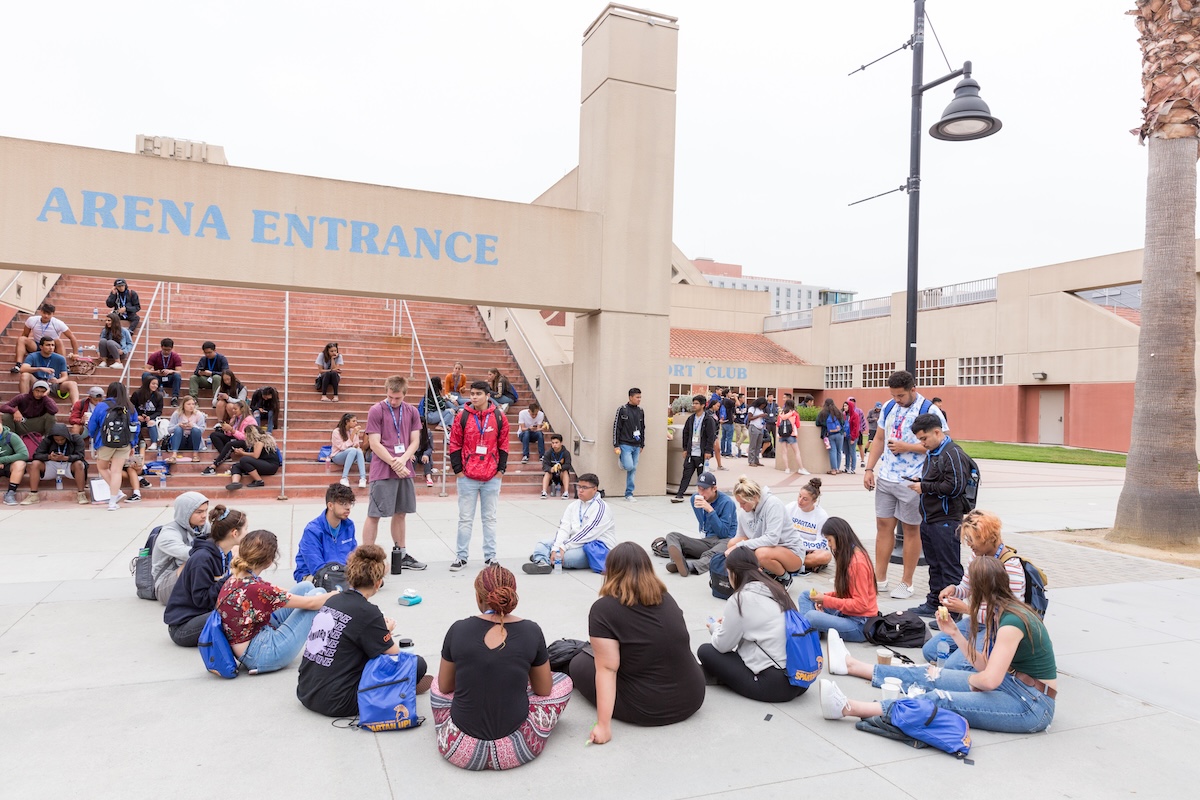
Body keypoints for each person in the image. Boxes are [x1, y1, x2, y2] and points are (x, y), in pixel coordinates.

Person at [820, 557, 1056, 735]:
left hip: (1031, 704)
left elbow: (988, 680)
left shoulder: (1012, 622)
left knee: (940, 697)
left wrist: (971, 683)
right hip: (1013, 685)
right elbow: (983, 665)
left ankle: (849, 708)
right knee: (931, 673)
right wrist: (953, 632)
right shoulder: (1000, 612)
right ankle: (852, 666)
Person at [432, 565, 571, 771]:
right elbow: (543, 690)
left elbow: (445, 687)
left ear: (479, 598)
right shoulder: (531, 630)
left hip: (458, 748)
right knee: (563, 682)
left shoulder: (458, 629)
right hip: (518, 749)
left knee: (436, 684)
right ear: (512, 596)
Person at [568, 542, 705, 743]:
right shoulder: (667, 599)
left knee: (579, 662)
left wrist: (603, 726)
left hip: (647, 707)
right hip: (693, 696)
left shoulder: (603, 609)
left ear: (611, 571)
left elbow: (607, 670)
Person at [298, 544, 433, 717]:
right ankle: (402, 687)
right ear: (378, 583)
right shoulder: (368, 612)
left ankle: (404, 685)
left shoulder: (332, 600)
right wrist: (386, 631)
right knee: (417, 664)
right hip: (338, 701)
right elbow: (396, 657)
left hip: (305, 690)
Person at [861, 370, 948, 600]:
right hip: (887, 477)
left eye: (901, 395)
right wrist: (870, 469)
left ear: (913, 389)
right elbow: (879, 439)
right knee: (883, 526)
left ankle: (907, 582)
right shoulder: (889, 407)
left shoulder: (929, 409)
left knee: (910, 529)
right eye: (894, 395)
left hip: (913, 480)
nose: (897, 399)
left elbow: (941, 443)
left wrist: (907, 447)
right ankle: (879, 578)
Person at [698, 547, 807, 703]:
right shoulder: (777, 590)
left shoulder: (740, 599)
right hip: (801, 679)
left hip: (775, 685)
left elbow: (723, 646)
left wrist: (715, 627)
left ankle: (725, 678)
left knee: (706, 651)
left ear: (732, 573)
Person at [216, 529, 331, 674]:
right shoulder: (256, 588)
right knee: (319, 593)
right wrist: (336, 594)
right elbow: (311, 604)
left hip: (251, 641)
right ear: (270, 561)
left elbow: (277, 593)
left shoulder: (237, 577)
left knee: (306, 587)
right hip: (261, 655)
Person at [923, 510, 1027, 669]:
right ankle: (977, 658)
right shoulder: (977, 555)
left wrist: (967, 609)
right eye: (966, 539)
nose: (969, 544)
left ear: (986, 537)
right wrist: (954, 590)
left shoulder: (1011, 567)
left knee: (953, 665)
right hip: (978, 621)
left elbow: (1009, 615)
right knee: (930, 652)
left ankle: (992, 659)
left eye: (971, 539)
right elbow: (966, 587)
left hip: (999, 627)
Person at [906, 412, 972, 617]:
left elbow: (955, 487)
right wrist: (922, 480)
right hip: (930, 517)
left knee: (948, 566)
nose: (922, 443)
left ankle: (953, 611)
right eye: (920, 440)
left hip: (945, 518)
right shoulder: (935, 453)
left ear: (937, 432)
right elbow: (940, 480)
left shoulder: (952, 453)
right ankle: (935, 602)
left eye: (924, 438)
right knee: (934, 565)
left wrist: (924, 486)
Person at [363, 376, 427, 570]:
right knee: (374, 514)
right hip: (383, 470)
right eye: (390, 397)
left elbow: (415, 441)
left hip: (403, 468)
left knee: (401, 513)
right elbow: (374, 443)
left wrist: (402, 460)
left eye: (397, 398)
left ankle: (402, 553)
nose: (393, 401)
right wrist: (394, 462)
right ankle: (366, 558)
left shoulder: (412, 411)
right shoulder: (376, 410)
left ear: (404, 394)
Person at [448, 380, 509, 571]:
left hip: (491, 476)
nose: (474, 397)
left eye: (478, 394)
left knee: (489, 518)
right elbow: (455, 443)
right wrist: (458, 470)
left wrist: (501, 470)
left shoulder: (499, 416)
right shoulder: (462, 416)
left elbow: (503, 443)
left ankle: (490, 557)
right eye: (472, 394)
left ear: (487, 395)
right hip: (467, 476)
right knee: (465, 518)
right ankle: (461, 557)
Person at [163, 506, 245, 647]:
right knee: (233, 614)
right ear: (235, 533)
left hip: (204, 614)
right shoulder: (202, 559)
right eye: (246, 529)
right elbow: (201, 599)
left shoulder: (224, 553)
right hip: (183, 627)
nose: (247, 533)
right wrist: (231, 577)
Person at [797, 517, 879, 642]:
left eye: (829, 540)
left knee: (811, 616)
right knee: (805, 595)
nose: (829, 545)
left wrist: (825, 600)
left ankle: (811, 630)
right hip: (846, 614)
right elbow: (846, 593)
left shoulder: (858, 563)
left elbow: (861, 605)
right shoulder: (849, 555)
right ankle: (813, 630)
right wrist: (823, 597)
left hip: (859, 624)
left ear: (839, 536)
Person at [522, 473, 614, 573]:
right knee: (543, 543)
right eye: (579, 486)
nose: (580, 490)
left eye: (584, 487)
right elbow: (564, 528)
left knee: (567, 558)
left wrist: (562, 548)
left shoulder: (601, 508)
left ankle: (541, 557)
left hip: (593, 547)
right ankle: (543, 563)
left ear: (595, 489)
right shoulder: (573, 506)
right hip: (572, 543)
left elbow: (587, 534)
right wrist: (556, 548)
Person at [725, 475, 806, 583]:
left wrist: (740, 545)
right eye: (739, 502)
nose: (741, 506)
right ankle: (752, 575)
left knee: (761, 553)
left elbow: (772, 539)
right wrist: (735, 547)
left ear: (754, 498)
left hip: (791, 552)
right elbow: (740, 537)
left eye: (743, 503)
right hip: (767, 548)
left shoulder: (773, 504)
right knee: (732, 544)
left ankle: (785, 578)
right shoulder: (744, 511)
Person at [664, 471, 738, 576]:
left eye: (705, 489)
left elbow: (724, 533)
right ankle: (677, 561)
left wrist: (710, 511)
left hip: (724, 540)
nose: (701, 493)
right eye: (699, 488)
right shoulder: (695, 498)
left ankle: (691, 566)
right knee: (672, 536)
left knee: (715, 553)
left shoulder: (727, 502)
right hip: (706, 541)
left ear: (714, 488)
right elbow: (703, 522)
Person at [150, 492, 211, 603]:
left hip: (188, 581)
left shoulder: (203, 527)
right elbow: (188, 554)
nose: (204, 515)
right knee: (193, 561)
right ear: (185, 513)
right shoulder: (168, 533)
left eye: (206, 510)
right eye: (199, 512)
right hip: (164, 586)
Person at [87, 381, 139, 511]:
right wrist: (133, 444)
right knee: (116, 471)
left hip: (105, 441)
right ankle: (112, 502)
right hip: (124, 443)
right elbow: (135, 427)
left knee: (103, 468)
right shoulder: (130, 407)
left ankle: (116, 492)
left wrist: (94, 437)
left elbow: (92, 425)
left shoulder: (101, 406)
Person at [295, 483, 358, 581]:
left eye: (350, 503)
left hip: (342, 573)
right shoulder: (312, 530)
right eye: (343, 503)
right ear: (330, 505)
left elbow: (354, 557)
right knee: (328, 583)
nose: (348, 507)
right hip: (314, 574)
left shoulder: (349, 526)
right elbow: (316, 567)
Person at [20, 423, 89, 505]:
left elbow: (80, 456)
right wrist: (49, 457)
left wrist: (66, 458)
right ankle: (33, 495)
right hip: (52, 464)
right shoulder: (47, 440)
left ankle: (81, 494)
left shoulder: (76, 439)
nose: (59, 441)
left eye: (62, 439)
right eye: (56, 440)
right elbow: (36, 455)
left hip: (69, 464)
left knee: (79, 464)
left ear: (66, 436)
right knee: (35, 463)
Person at [671, 394, 717, 503]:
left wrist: (708, 451)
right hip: (691, 453)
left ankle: (707, 497)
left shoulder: (708, 420)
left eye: (696, 403)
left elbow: (711, 436)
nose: (694, 405)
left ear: (702, 405)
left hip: (702, 453)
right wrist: (685, 449)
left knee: (703, 478)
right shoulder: (691, 419)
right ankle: (679, 495)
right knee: (686, 474)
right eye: (693, 403)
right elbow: (685, 434)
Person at [11, 302, 78, 372]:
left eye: (49, 314)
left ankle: (64, 366)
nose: (46, 316)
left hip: (51, 347)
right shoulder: (32, 320)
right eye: (44, 313)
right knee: (22, 339)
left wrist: (75, 353)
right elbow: (25, 334)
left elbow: (72, 337)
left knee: (59, 341)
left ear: (53, 314)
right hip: (37, 345)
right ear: (41, 312)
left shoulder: (58, 323)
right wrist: (22, 349)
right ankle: (18, 365)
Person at [785, 477, 833, 573]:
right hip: (789, 547)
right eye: (799, 496)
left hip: (809, 551)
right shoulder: (790, 507)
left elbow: (822, 543)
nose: (800, 501)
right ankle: (801, 565)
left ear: (814, 501)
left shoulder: (821, 515)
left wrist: (802, 544)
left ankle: (789, 564)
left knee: (826, 556)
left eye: (805, 499)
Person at [19, 336, 79, 405]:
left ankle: (75, 407)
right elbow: (22, 369)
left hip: (53, 383)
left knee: (72, 383)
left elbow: (65, 376)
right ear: (41, 347)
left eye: (53, 345)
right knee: (25, 375)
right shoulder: (32, 356)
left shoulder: (60, 358)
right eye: (48, 345)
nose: (51, 347)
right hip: (37, 382)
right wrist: (40, 368)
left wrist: (57, 381)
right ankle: (24, 403)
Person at [201, 398, 255, 473]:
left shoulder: (249, 420)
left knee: (230, 444)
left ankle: (214, 465)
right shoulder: (235, 417)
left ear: (242, 409)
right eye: (233, 409)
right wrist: (226, 430)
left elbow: (245, 437)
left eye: (235, 409)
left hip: (247, 442)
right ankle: (227, 456)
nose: (233, 411)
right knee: (214, 435)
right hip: (236, 438)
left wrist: (232, 430)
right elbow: (231, 433)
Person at [612, 387, 646, 501]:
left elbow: (642, 428)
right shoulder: (622, 409)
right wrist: (616, 444)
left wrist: (642, 444)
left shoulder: (640, 411)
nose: (639, 399)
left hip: (636, 444)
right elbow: (617, 427)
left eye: (640, 397)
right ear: (630, 397)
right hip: (625, 444)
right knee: (629, 466)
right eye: (637, 397)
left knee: (633, 469)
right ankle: (622, 460)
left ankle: (629, 493)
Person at [224, 426, 281, 491]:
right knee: (236, 466)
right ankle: (235, 482)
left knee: (244, 460)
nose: (245, 436)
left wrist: (242, 453)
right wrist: (243, 451)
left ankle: (259, 481)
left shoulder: (260, 442)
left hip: (270, 466)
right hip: (263, 464)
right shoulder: (255, 443)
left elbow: (255, 455)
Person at [330, 413, 368, 488]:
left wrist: (356, 445)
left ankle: (363, 478)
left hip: (351, 454)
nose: (356, 423)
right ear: (347, 422)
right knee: (353, 450)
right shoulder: (336, 432)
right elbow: (342, 447)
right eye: (353, 421)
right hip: (338, 456)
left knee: (359, 451)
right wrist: (353, 435)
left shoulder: (353, 431)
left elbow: (356, 444)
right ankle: (344, 477)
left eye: (356, 421)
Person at [130, 374, 165, 456]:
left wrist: (150, 417)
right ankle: (138, 443)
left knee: (151, 423)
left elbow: (159, 412)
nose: (155, 386)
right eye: (153, 384)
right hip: (138, 417)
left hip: (151, 418)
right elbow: (131, 407)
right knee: (135, 423)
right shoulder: (137, 393)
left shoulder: (158, 396)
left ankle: (154, 443)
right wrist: (137, 416)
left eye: (156, 384)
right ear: (147, 383)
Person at [165, 395, 206, 462]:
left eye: (193, 404)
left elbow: (201, 430)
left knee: (195, 430)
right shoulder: (177, 414)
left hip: (193, 440)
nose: (191, 406)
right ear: (183, 405)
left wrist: (193, 426)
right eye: (188, 404)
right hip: (180, 440)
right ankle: (174, 455)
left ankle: (195, 455)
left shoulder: (199, 414)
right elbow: (169, 430)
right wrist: (179, 425)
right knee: (178, 429)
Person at [142, 337, 183, 404]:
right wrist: (156, 372)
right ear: (161, 347)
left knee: (177, 376)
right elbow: (146, 369)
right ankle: (147, 394)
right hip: (157, 378)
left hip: (169, 378)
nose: (166, 352)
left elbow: (179, 371)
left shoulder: (176, 356)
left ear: (172, 348)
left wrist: (170, 371)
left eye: (168, 350)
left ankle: (174, 397)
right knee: (145, 375)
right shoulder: (155, 355)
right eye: (164, 350)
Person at [775, 399, 808, 475]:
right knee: (797, 452)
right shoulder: (795, 414)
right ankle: (801, 468)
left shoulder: (781, 414)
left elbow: (778, 425)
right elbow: (798, 425)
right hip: (791, 434)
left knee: (784, 452)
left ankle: (787, 469)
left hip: (782, 435)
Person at [1, 419, 30, 506]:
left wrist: (2, 460)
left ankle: (10, 493)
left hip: (9, 466)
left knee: (20, 463)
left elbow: (24, 455)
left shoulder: (11, 436)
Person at [815, 398, 845, 475]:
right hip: (840, 434)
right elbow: (843, 422)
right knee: (839, 451)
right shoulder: (838, 412)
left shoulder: (823, 413)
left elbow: (817, 422)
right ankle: (837, 469)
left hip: (830, 434)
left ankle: (833, 469)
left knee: (832, 451)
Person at [540, 432, 573, 498]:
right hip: (552, 475)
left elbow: (568, 465)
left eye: (556, 442)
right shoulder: (548, 453)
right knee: (547, 473)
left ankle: (566, 492)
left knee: (565, 471)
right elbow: (544, 465)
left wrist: (559, 468)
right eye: (553, 443)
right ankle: (544, 492)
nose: (554, 445)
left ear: (561, 443)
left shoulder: (566, 453)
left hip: (561, 474)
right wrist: (550, 469)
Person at [842, 398, 863, 474]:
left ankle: (853, 468)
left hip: (852, 436)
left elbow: (855, 427)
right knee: (846, 452)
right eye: (844, 406)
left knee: (852, 452)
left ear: (849, 406)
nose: (845, 407)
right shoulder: (844, 415)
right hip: (845, 436)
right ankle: (847, 467)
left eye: (846, 406)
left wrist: (853, 437)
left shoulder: (855, 415)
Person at [745, 397, 768, 467]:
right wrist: (760, 416)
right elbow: (750, 418)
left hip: (761, 427)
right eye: (762, 405)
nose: (763, 406)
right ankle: (751, 461)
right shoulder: (752, 409)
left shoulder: (761, 410)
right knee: (753, 445)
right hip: (754, 427)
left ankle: (756, 460)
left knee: (758, 446)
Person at [720, 390, 736, 459]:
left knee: (723, 437)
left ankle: (723, 451)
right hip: (729, 421)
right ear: (727, 394)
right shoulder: (728, 401)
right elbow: (737, 404)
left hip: (723, 421)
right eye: (730, 392)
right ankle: (728, 452)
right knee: (729, 438)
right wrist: (735, 397)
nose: (731, 394)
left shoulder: (722, 401)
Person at [733, 392, 749, 458]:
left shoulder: (746, 406)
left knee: (746, 435)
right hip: (737, 423)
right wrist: (735, 397)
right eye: (743, 397)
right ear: (739, 398)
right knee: (738, 436)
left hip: (743, 423)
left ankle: (737, 445)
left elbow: (747, 414)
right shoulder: (736, 405)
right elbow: (737, 404)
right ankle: (738, 451)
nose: (744, 399)